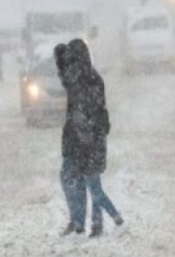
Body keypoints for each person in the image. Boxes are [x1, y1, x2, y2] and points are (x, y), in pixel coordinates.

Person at [57, 39, 123, 237]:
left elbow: (92, 112)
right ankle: (90, 223)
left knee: (91, 185)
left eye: (71, 59)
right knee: (85, 183)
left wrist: (87, 134)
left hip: (86, 141)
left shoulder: (87, 80)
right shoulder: (82, 78)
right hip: (82, 140)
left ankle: (107, 221)